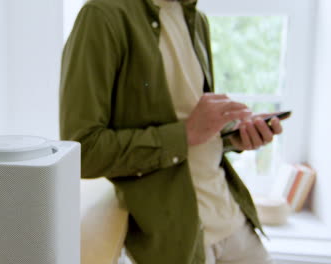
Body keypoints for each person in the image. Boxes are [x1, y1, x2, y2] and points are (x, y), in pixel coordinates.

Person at [59, 0, 283, 263]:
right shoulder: (102, 15)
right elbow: (83, 152)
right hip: (177, 241)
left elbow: (191, 126)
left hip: (235, 223)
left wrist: (232, 136)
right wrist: (184, 134)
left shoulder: (197, 20)